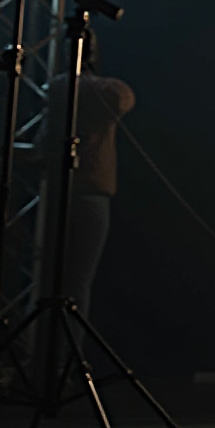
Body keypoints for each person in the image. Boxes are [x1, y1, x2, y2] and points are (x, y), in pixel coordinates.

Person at [64, 37, 134, 321]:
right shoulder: (91, 90)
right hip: (86, 194)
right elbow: (122, 98)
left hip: (79, 192)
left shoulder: (73, 89)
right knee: (77, 283)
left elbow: (121, 98)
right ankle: (58, 346)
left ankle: (54, 346)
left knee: (67, 280)